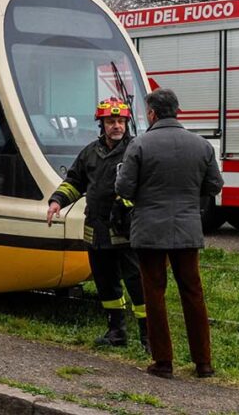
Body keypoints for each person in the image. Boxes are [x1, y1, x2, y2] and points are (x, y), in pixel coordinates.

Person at [116, 88, 224, 379]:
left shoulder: (139, 145)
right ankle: (203, 363)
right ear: (177, 111)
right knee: (193, 292)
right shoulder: (201, 145)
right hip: (187, 229)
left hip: (149, 230)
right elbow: (214, 185)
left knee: (154, 292)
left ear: (151, 113)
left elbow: (124, 188)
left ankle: (163, 362)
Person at [47, 98, 147, 350]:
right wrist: (57, 201)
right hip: (97, 231)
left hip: (125, 231)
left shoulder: (136, 150)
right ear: (101, 124)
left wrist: (128, 204)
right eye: (111, 121)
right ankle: (116, 333)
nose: (117, 126)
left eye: (121, 121)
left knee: (137, 283)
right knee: (105, 282)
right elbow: (75, 181)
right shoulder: (90, 152)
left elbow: (147, 186)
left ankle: (149, 336)